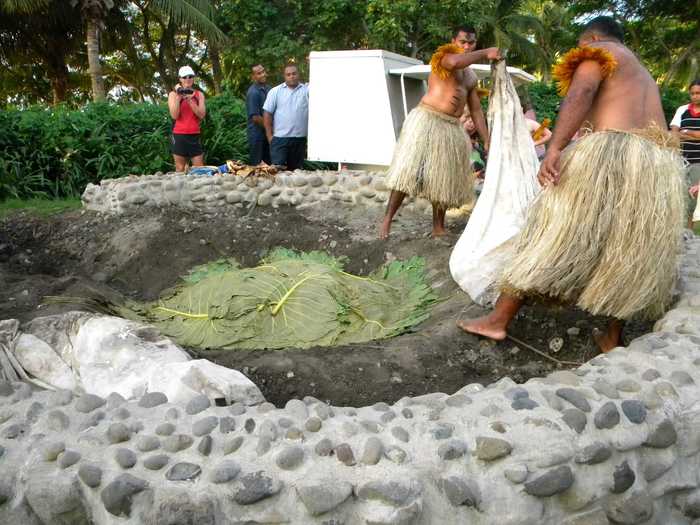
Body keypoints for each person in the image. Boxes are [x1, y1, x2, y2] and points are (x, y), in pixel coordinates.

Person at [457, 16, 685, 353]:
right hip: (654, 165)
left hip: (611, 153)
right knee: (626, 249)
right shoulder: (643, 73)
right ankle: (612, 336)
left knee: (549, 231)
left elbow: (582, 90)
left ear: (592, 37)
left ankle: (498, 320)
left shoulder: (598, 52)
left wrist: (556, 147)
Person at [379, 26, 500, 239]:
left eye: (471, 43)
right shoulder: (443, 57)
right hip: (427, 120)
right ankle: (387, 222)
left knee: (442, 179)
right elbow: (455, 62)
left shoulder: (471, 76)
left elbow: (476, 110)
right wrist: (484, 53)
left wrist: (487, 139)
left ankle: (438, 227)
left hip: (451, 127)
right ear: (453, 40)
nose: (466, 46)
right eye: (463, 41)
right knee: (408, 173)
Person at [263, 63, 309, 170]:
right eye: (288, 74)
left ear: (298, 74)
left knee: (296, 173)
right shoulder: (275, 92)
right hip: (280, 139)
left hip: (299, 140)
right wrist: (270, 137)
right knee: (278, 172)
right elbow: (267, 114)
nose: (291, 76)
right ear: (284, 76)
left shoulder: (306, 91)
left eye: (294, 74)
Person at [670, 79, 700, 226]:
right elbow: (674, 133)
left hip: (698, 161)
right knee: (678, 196)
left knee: (693, 197)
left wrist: (686, 132)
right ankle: (678, 231)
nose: (695, 96)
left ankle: (688, 231)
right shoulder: (682, 110)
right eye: (692, 93)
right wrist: (694, 134)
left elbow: (682, 132)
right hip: (681, 160)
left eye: (698, 93)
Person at [168, 65, 206, 172]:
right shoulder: (172, 95)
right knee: (180, 168)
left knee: (200, 169)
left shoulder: (199, 95)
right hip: (179, 135)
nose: (188, 79)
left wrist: (190, 100)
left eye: (190, 76)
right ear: (180, 79)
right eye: (184, 77)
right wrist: (179, 97)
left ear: (193, 78)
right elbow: (174, 115)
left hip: (194, 134)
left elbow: (202, 114)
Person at [246, 64, 271, 165]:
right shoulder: (253, 92)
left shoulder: (269, 89)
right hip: (257, 135)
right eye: (259, 73)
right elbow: (255, 118)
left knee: (269, 165)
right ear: (253, 76)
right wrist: (270, 128)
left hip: (267, 133)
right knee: (257, 166)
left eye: (263, 71)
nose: (263, 74)